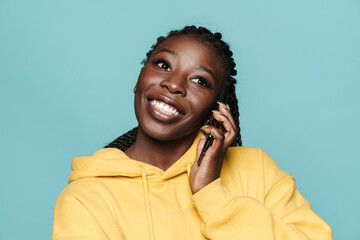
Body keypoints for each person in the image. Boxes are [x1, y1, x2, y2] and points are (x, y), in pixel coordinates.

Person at [52, 26, 332, 240]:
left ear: (216, 108)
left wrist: (212, 196)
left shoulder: (256, 171)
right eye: (163, 65)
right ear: (139, 80)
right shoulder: (86, 198)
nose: (174, 85)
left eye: (200, 80)